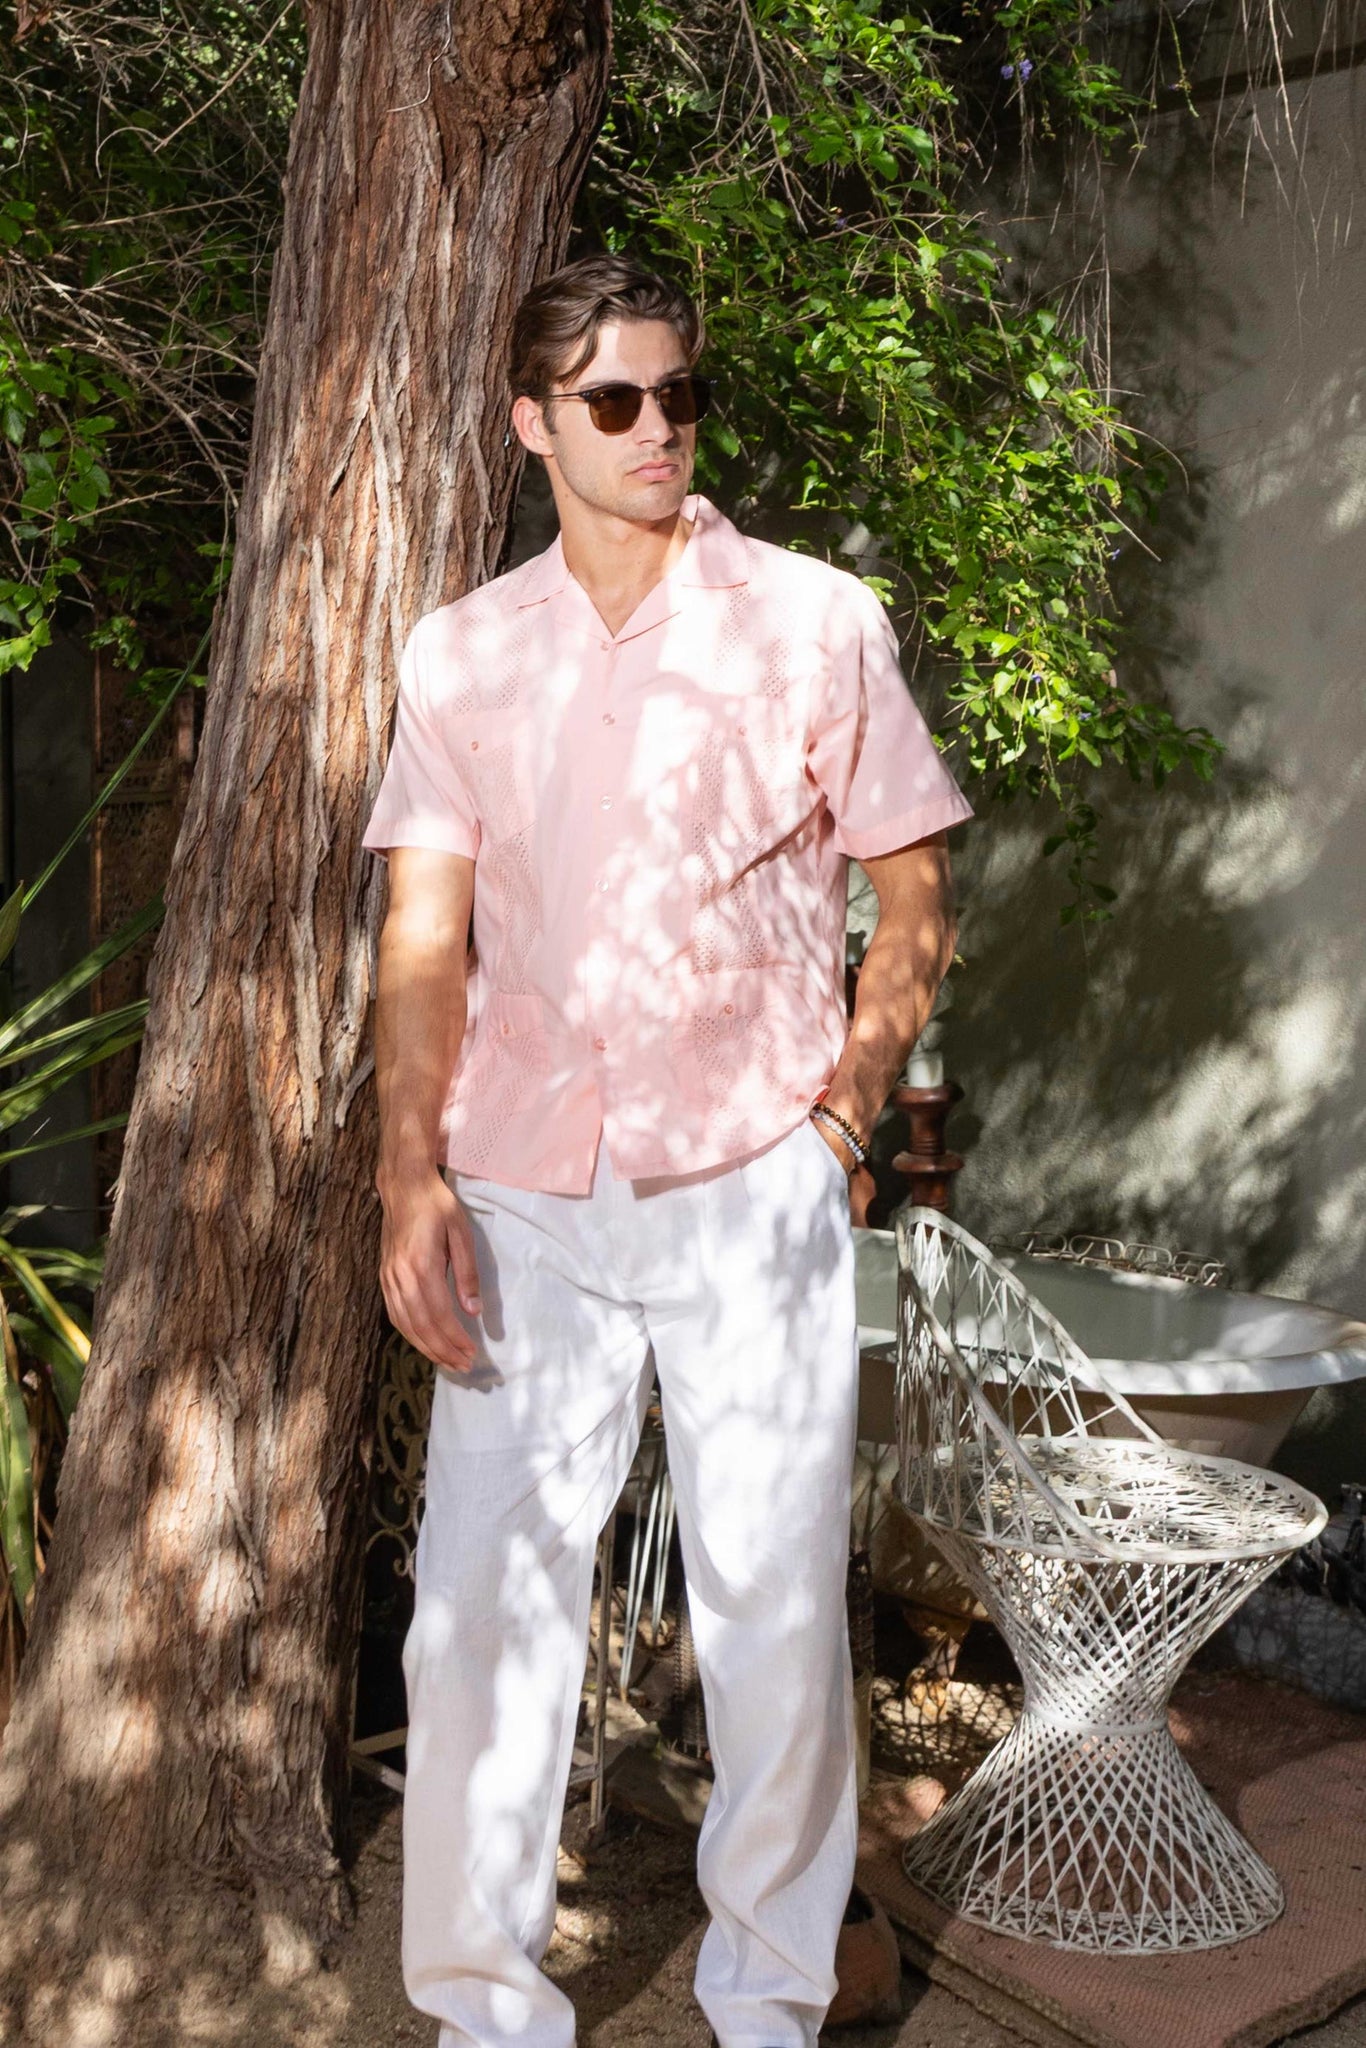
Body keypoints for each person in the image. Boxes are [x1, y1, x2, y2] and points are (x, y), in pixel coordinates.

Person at [363, 250, 971, 2048]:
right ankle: (485, 2012)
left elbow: (912, 888)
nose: (656, 427)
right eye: (613, 399)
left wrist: (844, 1108)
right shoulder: (461, 650)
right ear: (531, 423)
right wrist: (408, 1176)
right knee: (476, 1618)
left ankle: (767, 2003)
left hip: (747, 1179)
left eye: (676, 393)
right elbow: (423, 934)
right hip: (522, 1187)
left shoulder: (813, 619)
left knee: (770, 1611)